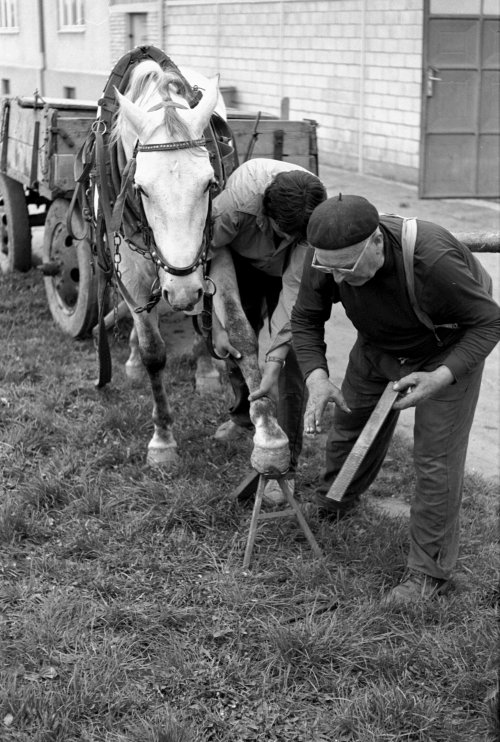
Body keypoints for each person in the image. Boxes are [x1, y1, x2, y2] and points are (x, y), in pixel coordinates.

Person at [291, 194, 500, 604]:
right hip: (378, 345)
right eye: (327, 268)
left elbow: (489, 321)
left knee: (435, 461)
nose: (336, 278)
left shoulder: (431, 258)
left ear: (375, 243)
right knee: (349, 423)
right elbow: (306, 317)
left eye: (346, 267)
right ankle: (335, 500)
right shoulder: (328, 259)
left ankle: (428, 574)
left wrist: (441, 377)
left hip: (446, 348)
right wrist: (317, 376)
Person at [209, 158, 327, 504]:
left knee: (293, 362)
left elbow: (294, 291)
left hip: (289, 272)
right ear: (266, 214)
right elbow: (210, 256)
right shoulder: (232, 210)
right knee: (235, 343)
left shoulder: (312, 216)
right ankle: (243, 416)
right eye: (284, 232)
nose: (289, 238)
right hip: (239, 262)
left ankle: (284, 465)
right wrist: (220, 325)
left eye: (297, 236)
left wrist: (275, 358)